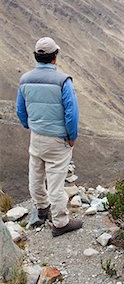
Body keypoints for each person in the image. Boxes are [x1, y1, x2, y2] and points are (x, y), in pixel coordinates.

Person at [16, 37, 83, 237]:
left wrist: (31, 126)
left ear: (36, 57)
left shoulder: (25, 80)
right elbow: (71, 113)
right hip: (57, 139)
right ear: (55, 58)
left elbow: (20, 110)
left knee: (36, 175)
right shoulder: (63, 81)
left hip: (37, 137)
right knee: (55, 181)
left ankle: (42, 207)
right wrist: (72, 136)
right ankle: (61, 223)